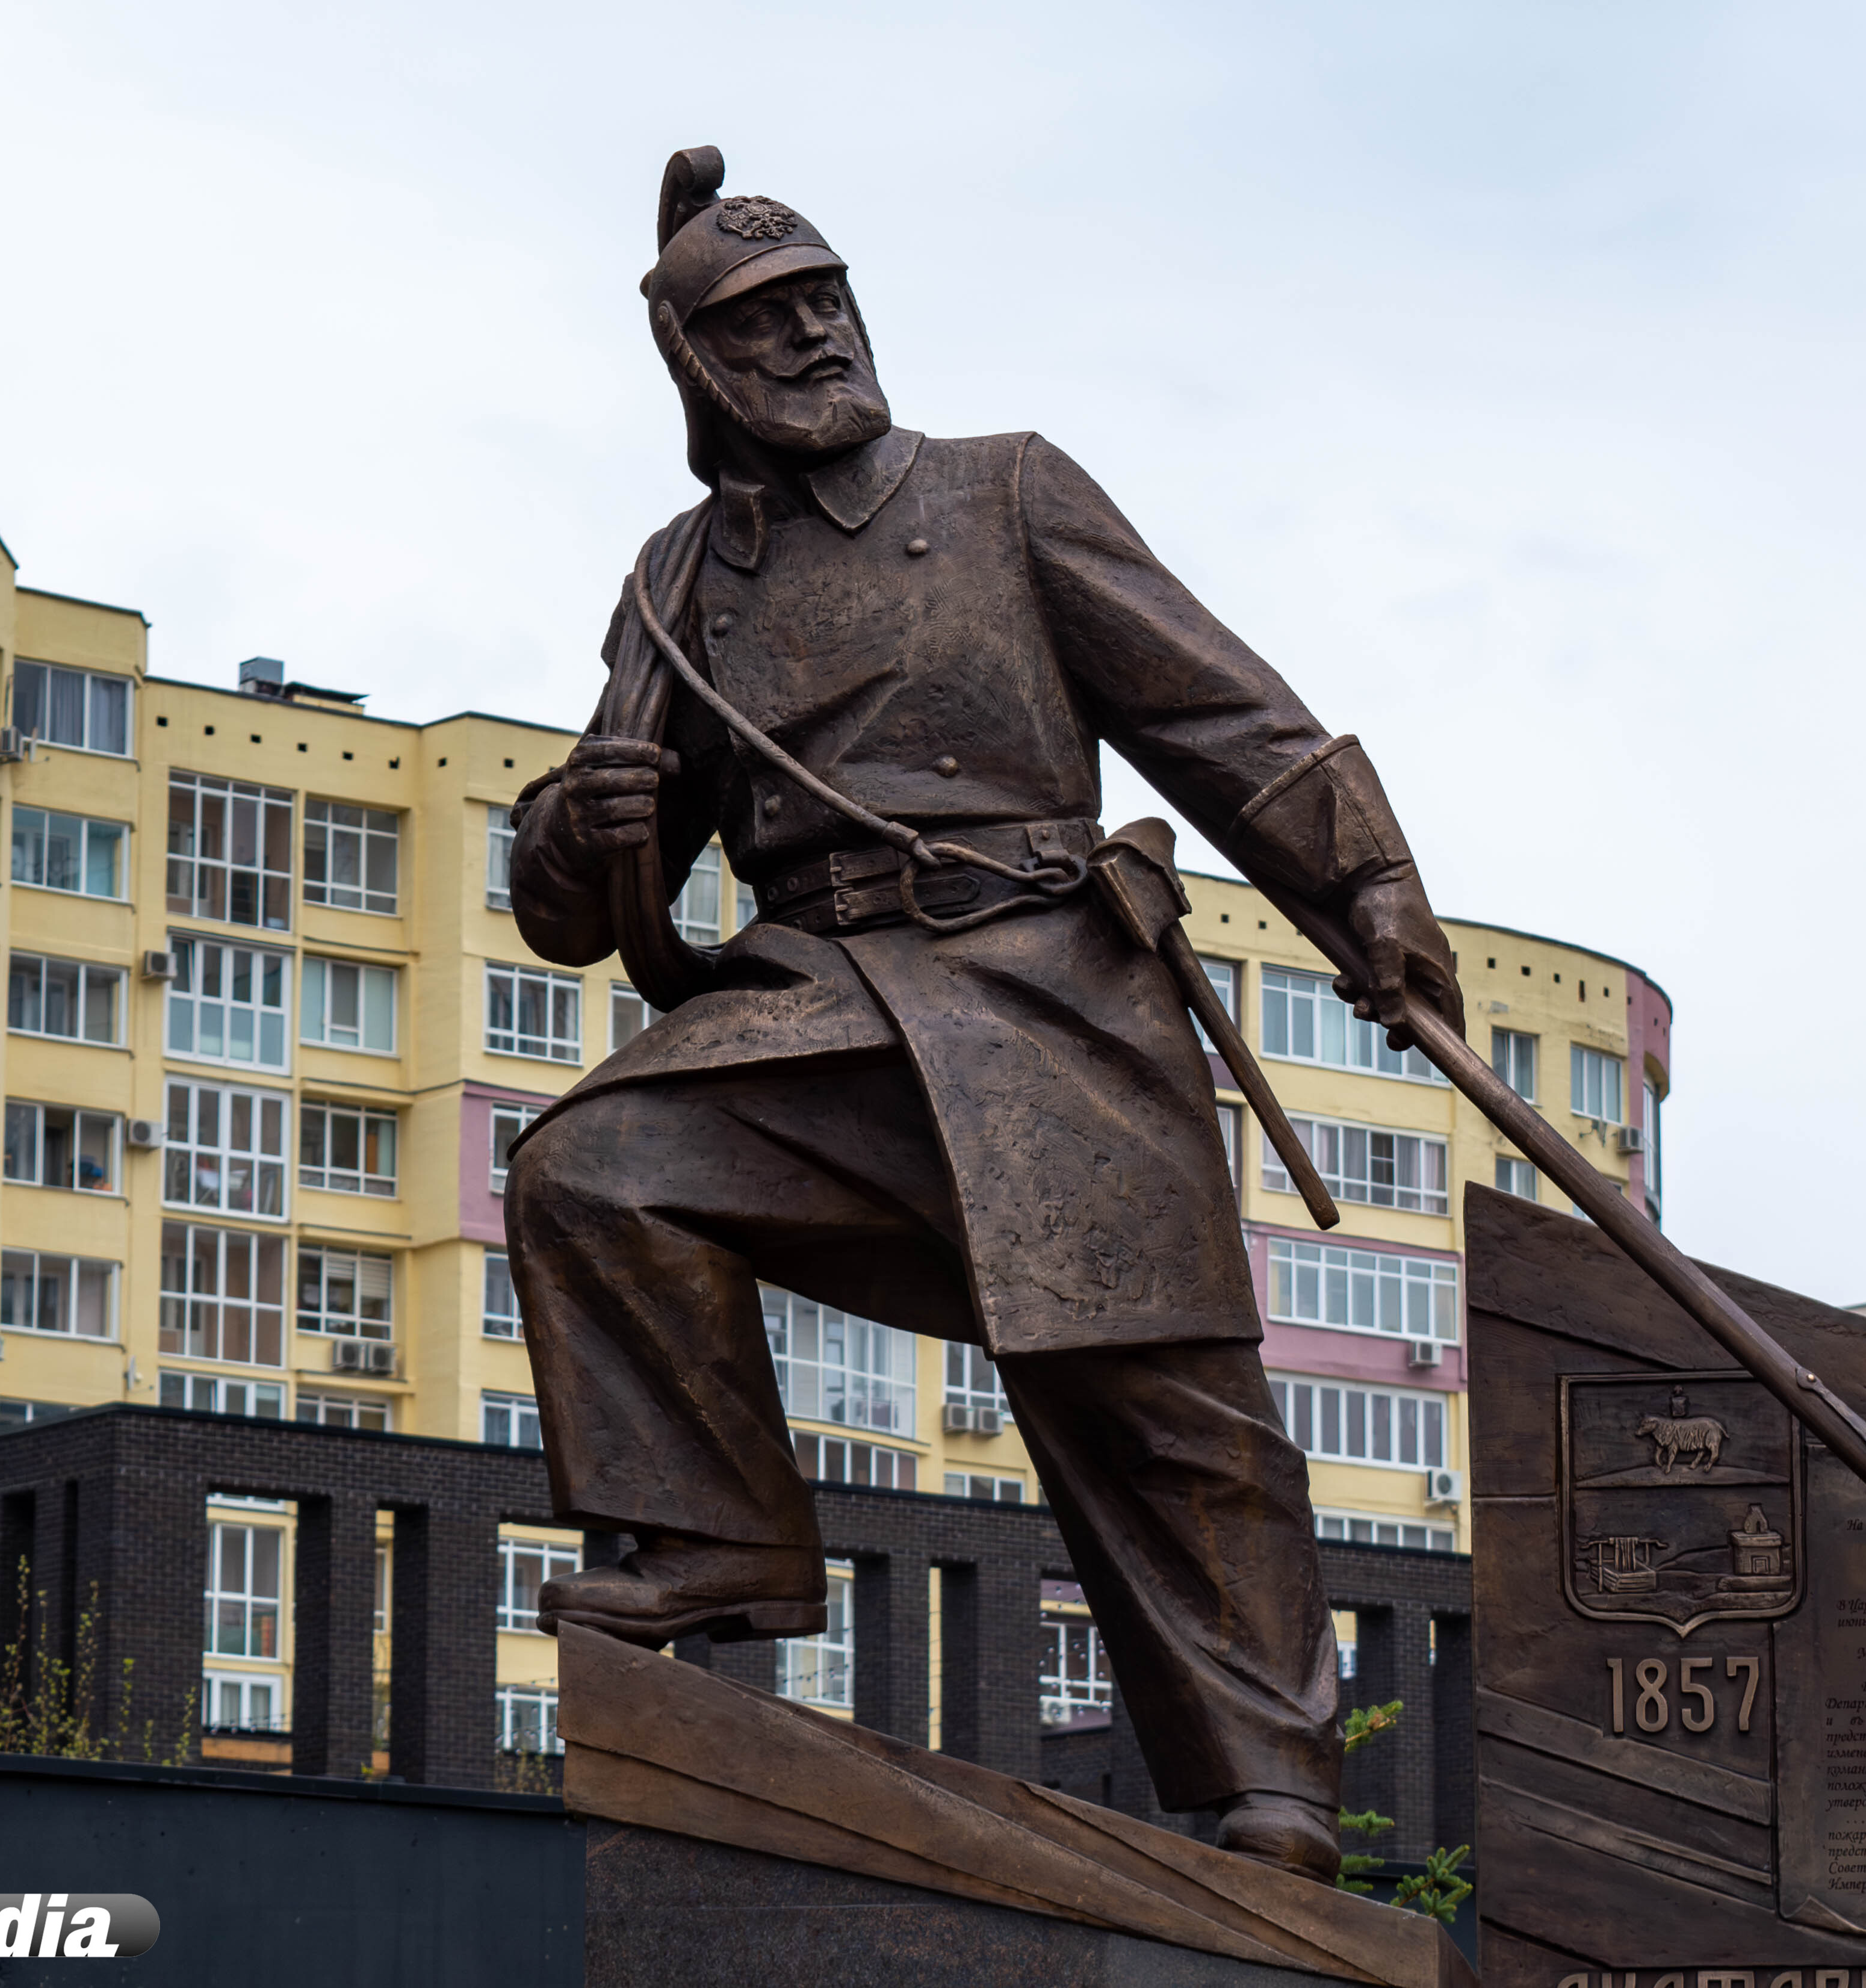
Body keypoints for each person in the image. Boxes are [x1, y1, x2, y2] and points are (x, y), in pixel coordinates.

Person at [500, 147, 1463, 1886]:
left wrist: (1370, 894)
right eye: (764, 321)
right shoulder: (676, 581)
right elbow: (581, 906)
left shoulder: (1006, 488)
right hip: (821, 1012)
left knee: (1156, 1395)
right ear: (694, 367)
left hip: (1045, 996)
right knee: (593, 1168)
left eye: (826, 302)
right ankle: (719, 1540)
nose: (814, 337)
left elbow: (1221, 714)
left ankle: (1273, 1780)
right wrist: (578, 830)